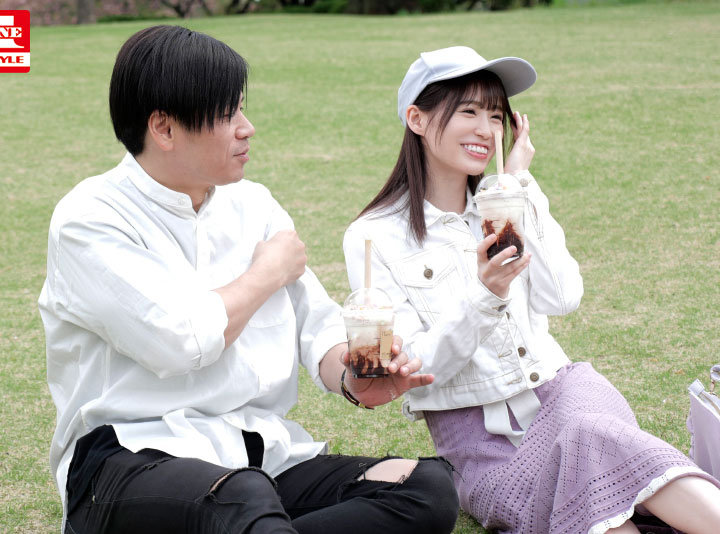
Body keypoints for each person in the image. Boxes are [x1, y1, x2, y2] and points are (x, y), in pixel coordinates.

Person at [38, 26, 459, 534]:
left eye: (242, 109)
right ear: (164, 129)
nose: (247, 128)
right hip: (128, 461)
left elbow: (316, 326)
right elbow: (179, 340)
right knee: (243, 498)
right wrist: (267, 273)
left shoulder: (253, 204)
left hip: (255, 455)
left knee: (425, 487)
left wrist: (355, 377)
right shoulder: (91, 219)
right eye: (227, 114)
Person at [343, 46, 720, 534]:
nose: (487, 130)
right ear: (417, 119)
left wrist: (519, 186)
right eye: (469, 112)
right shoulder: (374, 236)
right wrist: (485, 295)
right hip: (481, 445)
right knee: (595, 489)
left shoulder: (506, 199)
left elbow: (562, 298)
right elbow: (416, 368)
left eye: (495, 115)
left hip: (566, 394)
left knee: (589, 436)